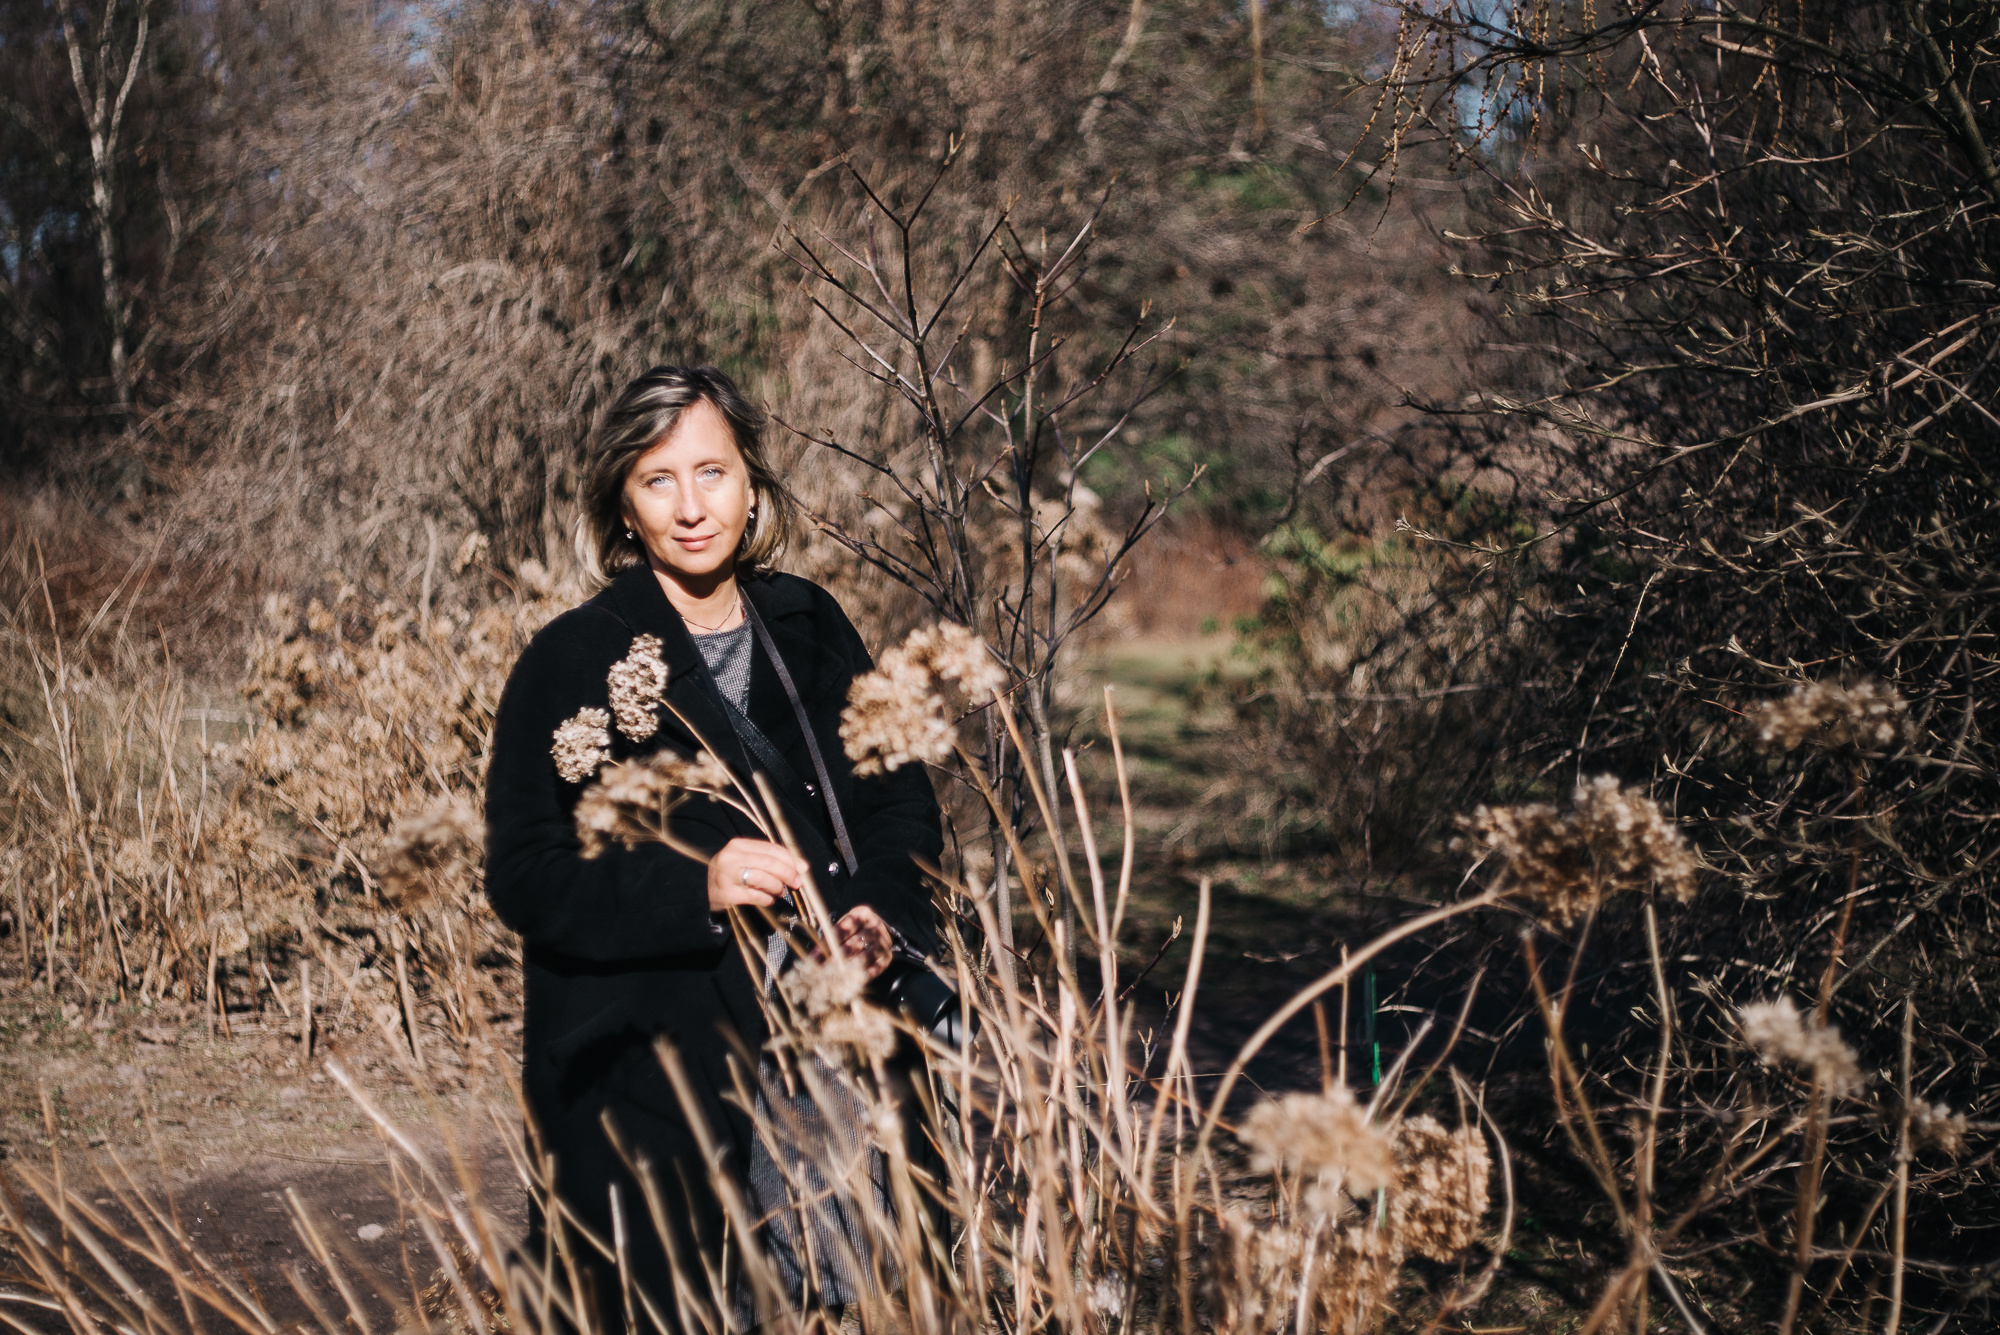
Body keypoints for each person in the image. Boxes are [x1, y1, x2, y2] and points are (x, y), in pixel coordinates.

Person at [483, 364, 943, 1332]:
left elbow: (896, 806)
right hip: (657, 1068)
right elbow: (526, 876)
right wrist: (698, 886)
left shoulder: (808, 625)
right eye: (659, 480)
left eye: (713, 473)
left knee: (851, 1291)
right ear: (621, 503)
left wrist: (876, 915)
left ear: (752, 487)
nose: (692, 508)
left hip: (827, 1041)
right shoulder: (572, 657)